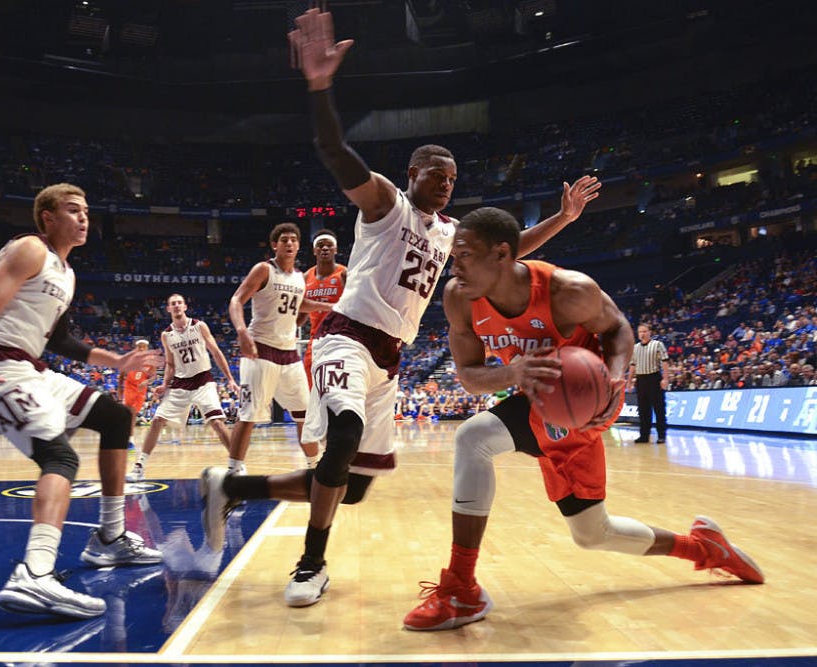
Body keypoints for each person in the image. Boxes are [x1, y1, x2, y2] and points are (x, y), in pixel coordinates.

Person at [199, 6, 601, 607]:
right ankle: (311, 564)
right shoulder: (387, 202)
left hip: (390, 357)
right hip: (345, 336)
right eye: (438, 174)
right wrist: (319, 87)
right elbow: (334, 149)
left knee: (354, 485)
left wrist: (563, 219)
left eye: (453, 177)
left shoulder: (453, 234)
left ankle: (234, 488)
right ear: (414, 173)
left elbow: (510, 250)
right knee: (343, 436)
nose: (447, 183)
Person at [402, 207, 764, 632]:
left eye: (463, 254)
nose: (454, 264)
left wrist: (613, 381)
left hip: (582, 407)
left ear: (502, 254)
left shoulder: (568, 290)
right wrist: (511, 373)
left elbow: (618, 329)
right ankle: (705, 548)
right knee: (593, 533)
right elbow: (468, 376)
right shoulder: (458, 297)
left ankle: (462, 589)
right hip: (537, 399)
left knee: (474, 439)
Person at [0, 183, 164, 620]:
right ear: (47, 217)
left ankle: (110, 535)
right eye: (72, 210)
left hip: (28, 366)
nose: (84, 218)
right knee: (60, 457)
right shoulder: (30, 249)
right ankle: (36, 573)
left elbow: (61, 339)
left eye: (86, 211)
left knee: (115, 416)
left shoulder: (66, 273)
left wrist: (115, 361)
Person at [224, 222, 332, 474]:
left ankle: (315, 468)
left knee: (305, 415)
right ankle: (234, 470)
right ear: (275, 245)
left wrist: (327, 307)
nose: (290, 243)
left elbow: (299, 303)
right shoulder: (264, 269)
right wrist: (241, 331)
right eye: (284, 239)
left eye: (294, 240)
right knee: (249, 415)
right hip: (260, 350)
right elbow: (236, 299)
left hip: (289, 354)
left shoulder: (298, 277)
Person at [127, 293, 239, 482]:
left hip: (203, 379)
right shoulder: (166, 335)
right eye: (173, 304)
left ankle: (237, 465)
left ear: (185, 307)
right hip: (180, 382)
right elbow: (170, 364)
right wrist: (164, 385)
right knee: (156, 421)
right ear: (169, 309)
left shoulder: (199, 326)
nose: (177, 306)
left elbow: (215, 351)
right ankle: (139, 467)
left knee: (217, 423)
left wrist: (230, 378)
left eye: (179, 303)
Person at [297, 229, 347, 386]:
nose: (325, 248)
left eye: (329, 245)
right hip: (316, 339)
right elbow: (300, 317)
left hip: (342, 338)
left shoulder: (345, 274)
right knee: (310, 388)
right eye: (320, 245)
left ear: (335, 250)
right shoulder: (305, 277)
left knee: (337, 389)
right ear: (314, 250)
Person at [630, 322, 669, 443]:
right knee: (643, 409)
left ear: (650, 332)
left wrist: (665, 378)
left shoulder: (658, 344)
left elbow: (665, 362)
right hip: (641, 380)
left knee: (659, 408)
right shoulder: (635, 347)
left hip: (654, 378)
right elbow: (632, 365)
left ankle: (661, 435)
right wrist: (629, 381)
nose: (642, 334)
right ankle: (644, 435)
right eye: (640, 332)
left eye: (644, 331)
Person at [122, 339, 153, 448]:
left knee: (132, 414)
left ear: (147, 348)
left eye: (143, 346)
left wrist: (147, 381)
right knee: (131, 413)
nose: (141, 348)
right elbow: (122, 373)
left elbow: (153, 376)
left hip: (141, 390)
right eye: (139, 346)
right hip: (129, 387)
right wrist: (119, 388)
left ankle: (127, 438)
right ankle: (130, 440)